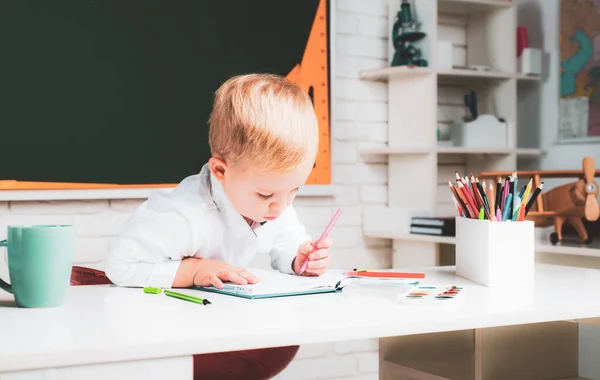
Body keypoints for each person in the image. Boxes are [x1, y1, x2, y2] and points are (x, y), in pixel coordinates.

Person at [103, 73, 334, 380]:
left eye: (294, 190)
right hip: (162, 340)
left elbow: (287, 242)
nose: (281, 205)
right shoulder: (185, 215)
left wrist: (301, 259)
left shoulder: (275, 203)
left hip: (216, 324)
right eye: (266, 194)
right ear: (221, 171)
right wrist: (193, 271)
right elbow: (120, 265)